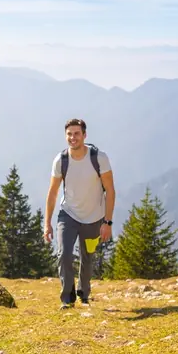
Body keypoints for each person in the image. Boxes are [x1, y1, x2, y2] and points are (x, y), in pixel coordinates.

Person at [44, 118, 115, 309]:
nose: (72, 137)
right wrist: (47, 223)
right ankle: (67, 299)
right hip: (68, 214)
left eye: (77, 133)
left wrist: (107, 222)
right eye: (69, 134)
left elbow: (110, 190)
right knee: (64, 253)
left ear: (84, 135)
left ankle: (84, 293)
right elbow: (52, 193)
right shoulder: (61, 160)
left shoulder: (99, 158)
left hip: (94, 217)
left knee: (87, 256)